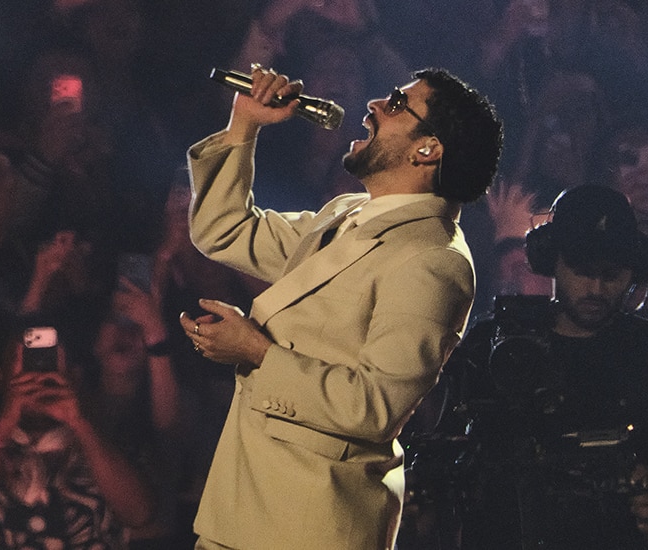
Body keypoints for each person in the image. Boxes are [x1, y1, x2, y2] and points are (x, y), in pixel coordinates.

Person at [178, 65, 503, 549]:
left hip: (312, 524)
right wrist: (244, 123)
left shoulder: (435, 260)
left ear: (427, 149)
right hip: (246, 510)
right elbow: (223, 230)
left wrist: (256, 350)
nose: (374, 105)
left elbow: (373, 407)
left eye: (396, 103)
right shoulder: (346, 214)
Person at [437, 185, 648, 549]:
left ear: (633, 273)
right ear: (551, 260)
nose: (596, 287)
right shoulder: (493, 347)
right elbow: (440, 454)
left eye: (611, 274)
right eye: (581, 270)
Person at [0, 333, 156, 548]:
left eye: (47, 365)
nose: (38, 377)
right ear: (0, 377)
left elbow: (139, 515)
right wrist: (1, 429)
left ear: (74, 376)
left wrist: (80, 424)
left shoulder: (112, 446)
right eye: (25, 365)